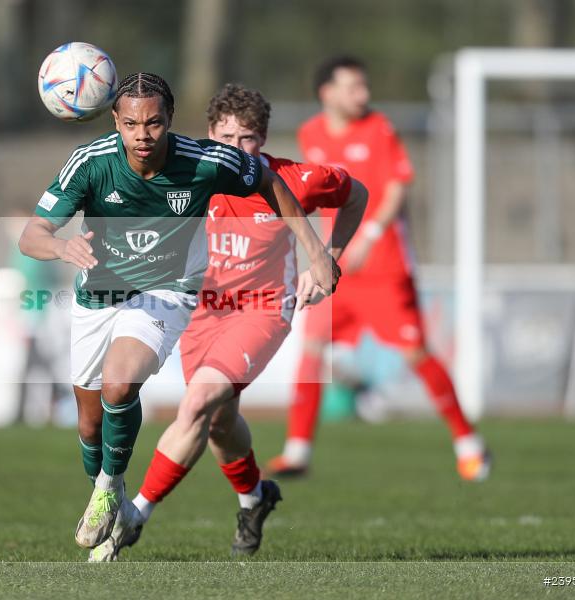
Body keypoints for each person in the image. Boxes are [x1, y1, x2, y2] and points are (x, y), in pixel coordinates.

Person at [18, 73, 341, 551]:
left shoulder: (205, 162)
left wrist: (318, 252)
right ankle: (126, 487)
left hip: (172, 293)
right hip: (100, 293)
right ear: (115, 120)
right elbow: (31, 235)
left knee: (123, 383)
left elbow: (273, 183)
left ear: (170, 121)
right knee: (95, 422)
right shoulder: (91, 163)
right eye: (131, 124)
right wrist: (62, 248)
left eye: (154, 123)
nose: (143, 135)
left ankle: (116, 495)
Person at [90, 83, 368, 562]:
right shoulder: (191, 176)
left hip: (262, 309)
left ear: (263, 140)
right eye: (227, 138)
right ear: (209, 133)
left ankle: (134, 515)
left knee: (196, 404)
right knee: (218, 423)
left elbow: (356, 194)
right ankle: (255, 499)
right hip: (198, 311)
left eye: (249, 139)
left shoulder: (294, 180)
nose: (237, 149)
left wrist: (328, 259)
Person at [267, 55, 491, 482]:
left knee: (415, 352)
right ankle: (297, 450)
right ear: (327, 93)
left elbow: (397, 186)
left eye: (364, 87)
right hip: (337, 265)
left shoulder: (378, 128)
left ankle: (468, 443)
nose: (363, 95)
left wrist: (369, 236)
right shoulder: (310, 133)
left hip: (385, 267)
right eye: (354, 87)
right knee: (313, 350)